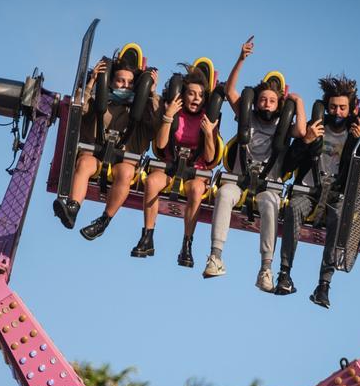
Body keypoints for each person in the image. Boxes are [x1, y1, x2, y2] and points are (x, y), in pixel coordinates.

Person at [202, 38, 306, 292]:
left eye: (272, 101)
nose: (266, 104)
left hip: (267, 185)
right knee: (225, 194)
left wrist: (298, 102)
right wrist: (241, 58)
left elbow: (302, 131)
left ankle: (266, 269)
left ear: (278, 105)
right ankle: (216, 256)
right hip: (240, 179)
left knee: (270, 204)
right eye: (262, 100)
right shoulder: (246, 117)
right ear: (256, 102)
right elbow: (230, 91)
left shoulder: (282, 127)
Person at [275, 74, 360, 308]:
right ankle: (284, 274)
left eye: (342, 108)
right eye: (333, 107)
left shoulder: (356, 134)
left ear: (350, 108)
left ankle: (323, 285)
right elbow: (287, 166)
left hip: (335, 195)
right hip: (308, 191)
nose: (337, 112)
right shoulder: (314, 127)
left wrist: (359, 143)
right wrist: (306, 141)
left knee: (339, 216)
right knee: (294, 208)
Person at [52, 54, 160, 240]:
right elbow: (78, 109)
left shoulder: (139, 110)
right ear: (111, 82)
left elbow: (156, 124)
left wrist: (151, 94)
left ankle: (103, 221)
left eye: (129, 82)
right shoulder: (98, 102)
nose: (125, 86)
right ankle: (72, 208)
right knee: (85, 163)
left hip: (123, 161)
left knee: (126, 173)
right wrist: (92, 82)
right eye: (120, 81)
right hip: (95, 156)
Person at [131, 64, 219, 267]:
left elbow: (209, 157)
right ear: (183, 95)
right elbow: (161, 145)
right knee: (152, 181)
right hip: (171, 166)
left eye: (200, 95)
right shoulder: (174, 111)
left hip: (195, 171)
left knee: (197, 189)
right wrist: (168, 116)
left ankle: (186, 245)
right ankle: (147, 237)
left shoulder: (208, 118)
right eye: (191, 94)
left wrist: (208, 134)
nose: (196, 99)